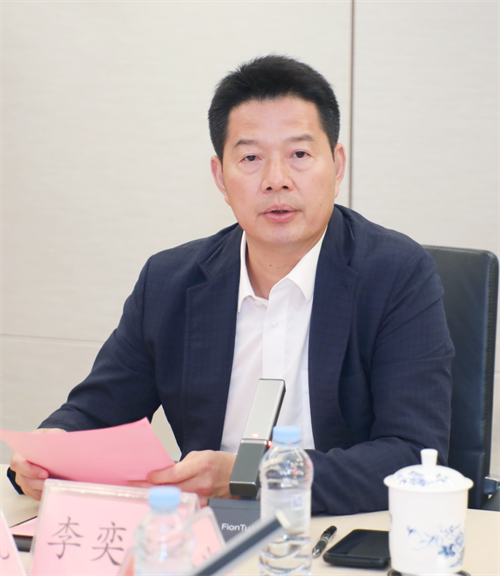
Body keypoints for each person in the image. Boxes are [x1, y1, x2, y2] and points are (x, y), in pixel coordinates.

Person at [9, 55, 454, 514]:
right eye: (251, 158)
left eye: (300, 155)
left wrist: (250, 476)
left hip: (335, 530)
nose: (277, 180)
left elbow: (412, 454)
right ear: (220, 177)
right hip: (203, 532)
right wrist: (48, 451)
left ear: (337, 166)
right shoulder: (169, 282)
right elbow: (96, 413)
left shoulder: (396, 274)